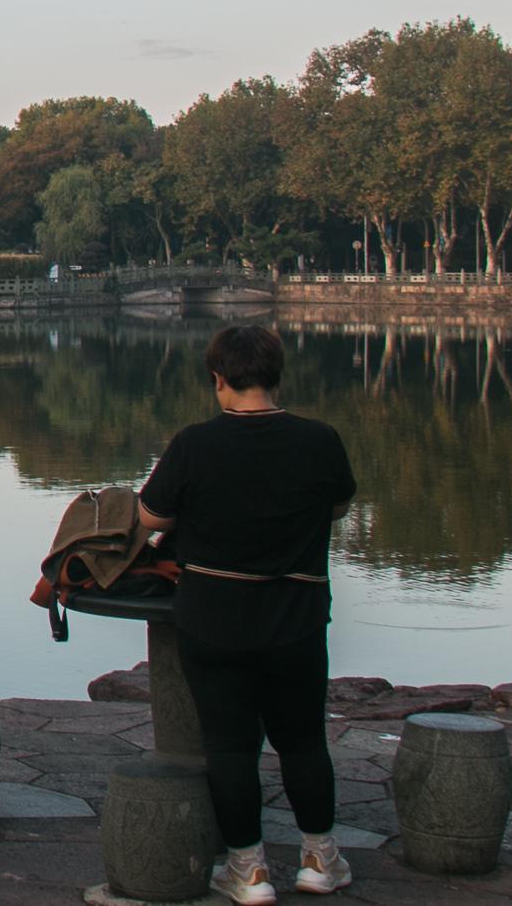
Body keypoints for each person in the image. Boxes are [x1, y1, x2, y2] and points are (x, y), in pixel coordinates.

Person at [137, 325, 356, 903]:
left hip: (214, 619)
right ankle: (319, 859)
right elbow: (337, 506)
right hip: (296, 617)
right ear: (276, 374)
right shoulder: (320, 440)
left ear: (218, 379)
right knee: (304, 741)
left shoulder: (194, 444)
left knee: (230, 747)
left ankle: (249, 869)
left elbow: (151, 519)